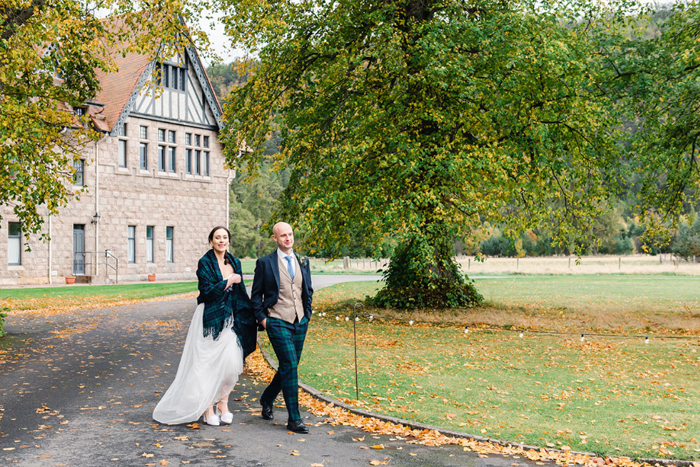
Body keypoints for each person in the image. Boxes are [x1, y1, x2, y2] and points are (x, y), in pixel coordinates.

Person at [153, 226, 257, 426]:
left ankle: (223, 405)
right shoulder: (205, 263)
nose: (221, 241)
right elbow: (207, 292)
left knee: (230, 363)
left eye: (225, 237)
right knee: (205, 365)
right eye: (217, 237)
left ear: (228, 240)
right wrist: (228, 280)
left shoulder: (235, 261)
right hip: (209, 319)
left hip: (230, 320)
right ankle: (208, 408)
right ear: (211, 241)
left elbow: (240, 293)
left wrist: (250, 314)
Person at [251, 222, 313, 434]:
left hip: (300, 321)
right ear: (275, 238)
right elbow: (255, 296)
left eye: (290, 234)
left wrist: (307, 315)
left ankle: (267, 399)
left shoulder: (303, 261)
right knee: (289, 364)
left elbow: (308, 290)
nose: (288, 238)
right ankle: (294, 419)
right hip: (276, 320)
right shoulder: (265, 263)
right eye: (283, 235)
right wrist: (263, 319)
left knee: (289, 366)